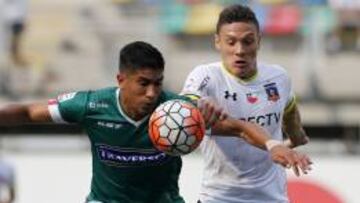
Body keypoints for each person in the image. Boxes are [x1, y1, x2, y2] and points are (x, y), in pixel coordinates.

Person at [0, 41, 310, 203]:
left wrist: (271, 143)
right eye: (143, 83)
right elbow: (28, 112)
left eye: (158, 83)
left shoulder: (178, 110)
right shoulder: (92, 104)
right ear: (121, 79)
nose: (152, 93)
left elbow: (239, 127)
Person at [181, 4, 310, 203]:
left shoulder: (278, 77)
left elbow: (289, 107)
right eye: (230, 42)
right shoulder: (206, 77)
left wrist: (296, 135)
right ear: (217, 42)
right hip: (218, 198)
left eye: (247, 42)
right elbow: (187, 108)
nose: (239, 50)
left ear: (259, 41)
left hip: (271, 198)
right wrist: (273, 144)